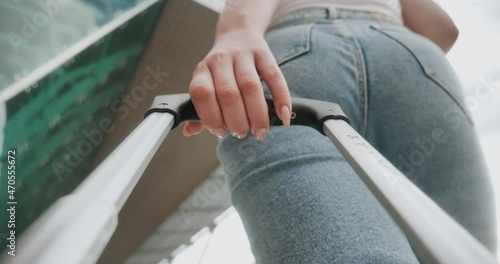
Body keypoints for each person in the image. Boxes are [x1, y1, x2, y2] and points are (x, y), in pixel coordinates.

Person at [183, 0, 496, 263]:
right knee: (458, 253)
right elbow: (443, 31)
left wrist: (238, 28)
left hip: (300, 54)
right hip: (411, 57)